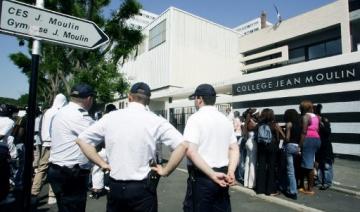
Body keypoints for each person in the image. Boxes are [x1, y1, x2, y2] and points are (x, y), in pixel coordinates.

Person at [76, 82, 188, 212]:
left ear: (129, 97)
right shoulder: (156, 120)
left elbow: (82, 140)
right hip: (142, 188)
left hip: (116, 186)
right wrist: (165, 170)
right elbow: (182, 145)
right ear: (148, 101)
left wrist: (102, 163)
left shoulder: (111, 117)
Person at [182, 84, 239, 212]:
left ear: (199, 99)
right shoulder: (225, 120)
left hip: (202, 177)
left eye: (195, 98)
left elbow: (191, 151)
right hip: (223, 175)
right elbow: (234, 148)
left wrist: (212, 174)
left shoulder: (195, 118)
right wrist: (231, 171)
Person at [47, 84, 95, 212]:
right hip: (71, 173)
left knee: (64, 207)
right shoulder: (80, 116)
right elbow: (97, 137)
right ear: (89, 99)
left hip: (57, 169)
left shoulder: (61, 112)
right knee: (74, 207)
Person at [31, 94, 67, 205]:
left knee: (42, 168)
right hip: (55, 144)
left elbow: (41, 127)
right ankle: (52, 195)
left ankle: (34, 192)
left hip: (45, 143)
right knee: (55, 168)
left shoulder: (47, 112)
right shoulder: (59, 112)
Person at [89, 103, 117, 199]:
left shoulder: (101, 120)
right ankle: (111, 188)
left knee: (98, 170)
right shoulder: (119, 120)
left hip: (102, 149)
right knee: (114, 169)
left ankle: (96, 190)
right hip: (114, 149)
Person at [256, 108, 284, 196]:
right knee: (271, 167)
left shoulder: (259, 124)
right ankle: (270, 190)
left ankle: (260, 189)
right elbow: (280, 137)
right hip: (272, 146)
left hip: (261, 146)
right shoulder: (274, 125)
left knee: (261, 166)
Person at [298, 100, 321, 195]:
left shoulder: (306, 117)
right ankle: (306, 186)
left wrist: (300, 145)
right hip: (317, 139)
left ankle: (310, 189)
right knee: (310, 162)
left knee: (308, 165)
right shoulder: (316, 117)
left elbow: (303, 131)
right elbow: (317, 129)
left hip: (308, 139)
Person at [283, 109, 301, 199]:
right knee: (294, 168)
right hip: (297, 146)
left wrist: (282, 132)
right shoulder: (299, 124)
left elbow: (287, 138)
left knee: (290, 170)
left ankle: (292, 191)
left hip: (289, 146)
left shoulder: (289, 124)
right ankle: (293, 187)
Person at [314, 104, 333, 190]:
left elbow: (328, 132)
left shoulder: (324, 120)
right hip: (318, 145)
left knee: (326, 165)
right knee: (319, 164)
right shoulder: (314, 121)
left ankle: (327, 182)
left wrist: (321, 124)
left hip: (325, 146)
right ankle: (319, 180)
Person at [243, 108, 258, 189]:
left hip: (248, 142)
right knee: (252, 163)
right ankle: (252, 183)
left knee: (247, 162)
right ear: (254, 114)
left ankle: (246, 182)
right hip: (252, 143)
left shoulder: (248, 121)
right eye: (258, 113)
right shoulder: (252, 122)